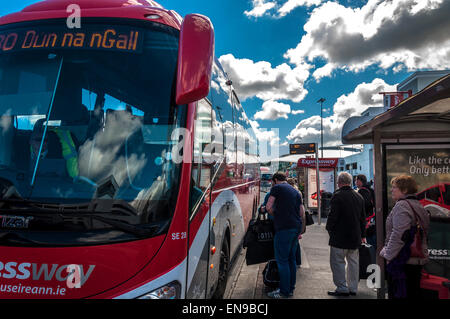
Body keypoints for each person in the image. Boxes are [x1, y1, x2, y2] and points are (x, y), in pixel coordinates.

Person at [380, 175, 430, 299]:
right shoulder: (417, 204)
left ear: (405, 190)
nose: (392, 190)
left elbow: (399, 234)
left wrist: (388, 255)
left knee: (399, 292)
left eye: (395, 187)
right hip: (416, 260)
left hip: (402, 261)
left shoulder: (402, 205)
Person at [326, 172, 366, 297]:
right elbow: (362, 219)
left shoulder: (337, 196)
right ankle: (353, 288)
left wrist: (329, 229)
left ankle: (342, 287)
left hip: (339, 237)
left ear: (339, 182)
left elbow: (333, 216)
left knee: (338, 262)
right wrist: (362, 235)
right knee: (353, 263)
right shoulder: (359, 197)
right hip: (355, 237)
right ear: (349, 182)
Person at [265, 172, 303, 298]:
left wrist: (276, 215)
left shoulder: (277, 188)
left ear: (275, 180)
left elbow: (268, 206)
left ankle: (283, 292)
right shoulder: (295, 191)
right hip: (295, 228)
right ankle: (291, 289)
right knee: (291, 259)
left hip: (283, 228)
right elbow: (301, 212)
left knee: (282, 261)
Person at [356, 174, 376, 262]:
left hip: (367, 221)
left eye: (356, 180)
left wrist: (363, 217)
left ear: (360, 181)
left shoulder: (362, 191)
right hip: (372, 220)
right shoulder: (370, 190)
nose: (355, 182)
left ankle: (370, 264)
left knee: (368, 243)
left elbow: (365, 205)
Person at [287, 178, 306, 267]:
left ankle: (296, 261)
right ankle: (298, 261)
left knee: (295, 243)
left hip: (295, 219)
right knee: (296, 242)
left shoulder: (292, 192)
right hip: (299, 220)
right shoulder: (298, 191)